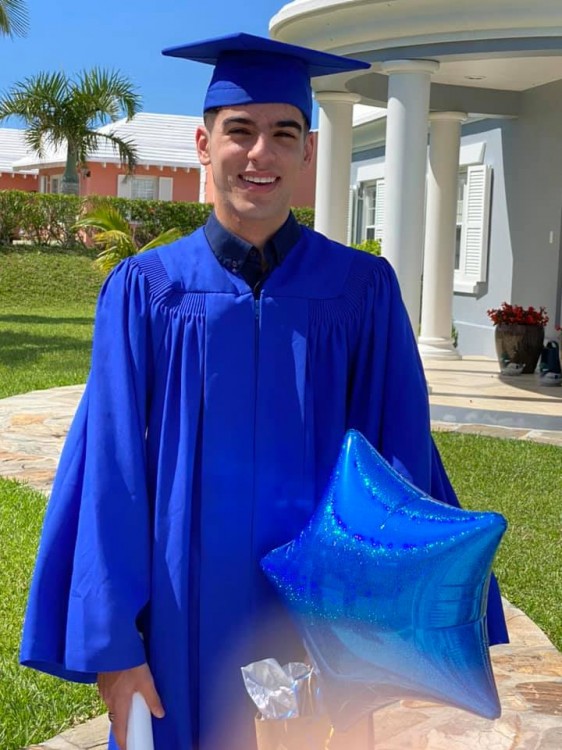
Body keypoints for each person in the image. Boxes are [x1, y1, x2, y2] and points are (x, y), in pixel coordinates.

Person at [20, 33, 508, 750]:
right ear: (203, 144)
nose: (261, 154)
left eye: (283, 133)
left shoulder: (361, 291)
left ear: (308, 151)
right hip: (181, 611)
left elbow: (400, 458)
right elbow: (109, 472)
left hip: (320, 618)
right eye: (239, 131)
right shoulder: (147, 292)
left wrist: (400, 621)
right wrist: (114, 645)